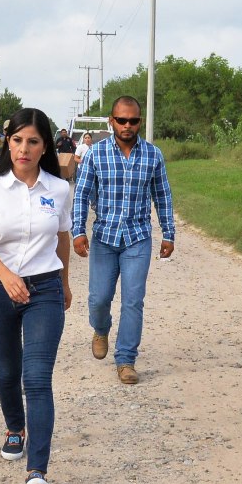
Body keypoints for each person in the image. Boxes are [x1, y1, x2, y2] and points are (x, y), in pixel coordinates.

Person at [0, 107, 72, 484]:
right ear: (7, 143)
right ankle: (16, 428)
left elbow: (62, 236)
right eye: (17, 141)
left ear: (44, 145)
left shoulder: (58, 189)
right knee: (8, 370)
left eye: (32, 141)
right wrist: (7, 275)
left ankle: (38, 469)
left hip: (43, 291)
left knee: (37, 377)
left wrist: (63, 281)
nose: (24, 149)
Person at [71, 95, 175, 385]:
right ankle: (101, 328)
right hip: (104, 237)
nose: (127, 125)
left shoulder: (153, 155)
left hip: (138, 239)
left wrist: (169, 233)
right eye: (121, 120)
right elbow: (80, 194)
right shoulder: (96, 154)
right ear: (111, 121)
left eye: (133, 120)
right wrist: (78, 231)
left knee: (133, 301)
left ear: (140, 121)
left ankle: (126, 359)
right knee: (99, 298)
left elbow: (163, 197)